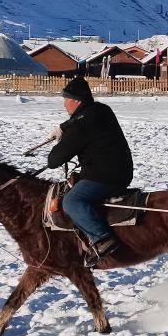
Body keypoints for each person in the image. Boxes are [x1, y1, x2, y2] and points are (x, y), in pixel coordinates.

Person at [47, 76, 134, 265]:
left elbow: (54, 160)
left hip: (106, 176)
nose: (64, 104)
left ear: (77, 100)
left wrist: (64, 134)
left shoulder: (80, 126)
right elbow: (83, 118)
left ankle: (103, 239)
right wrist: (64, 127)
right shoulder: (102, 110)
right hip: (120, 171)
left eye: (66, 99)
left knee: (72, 200)